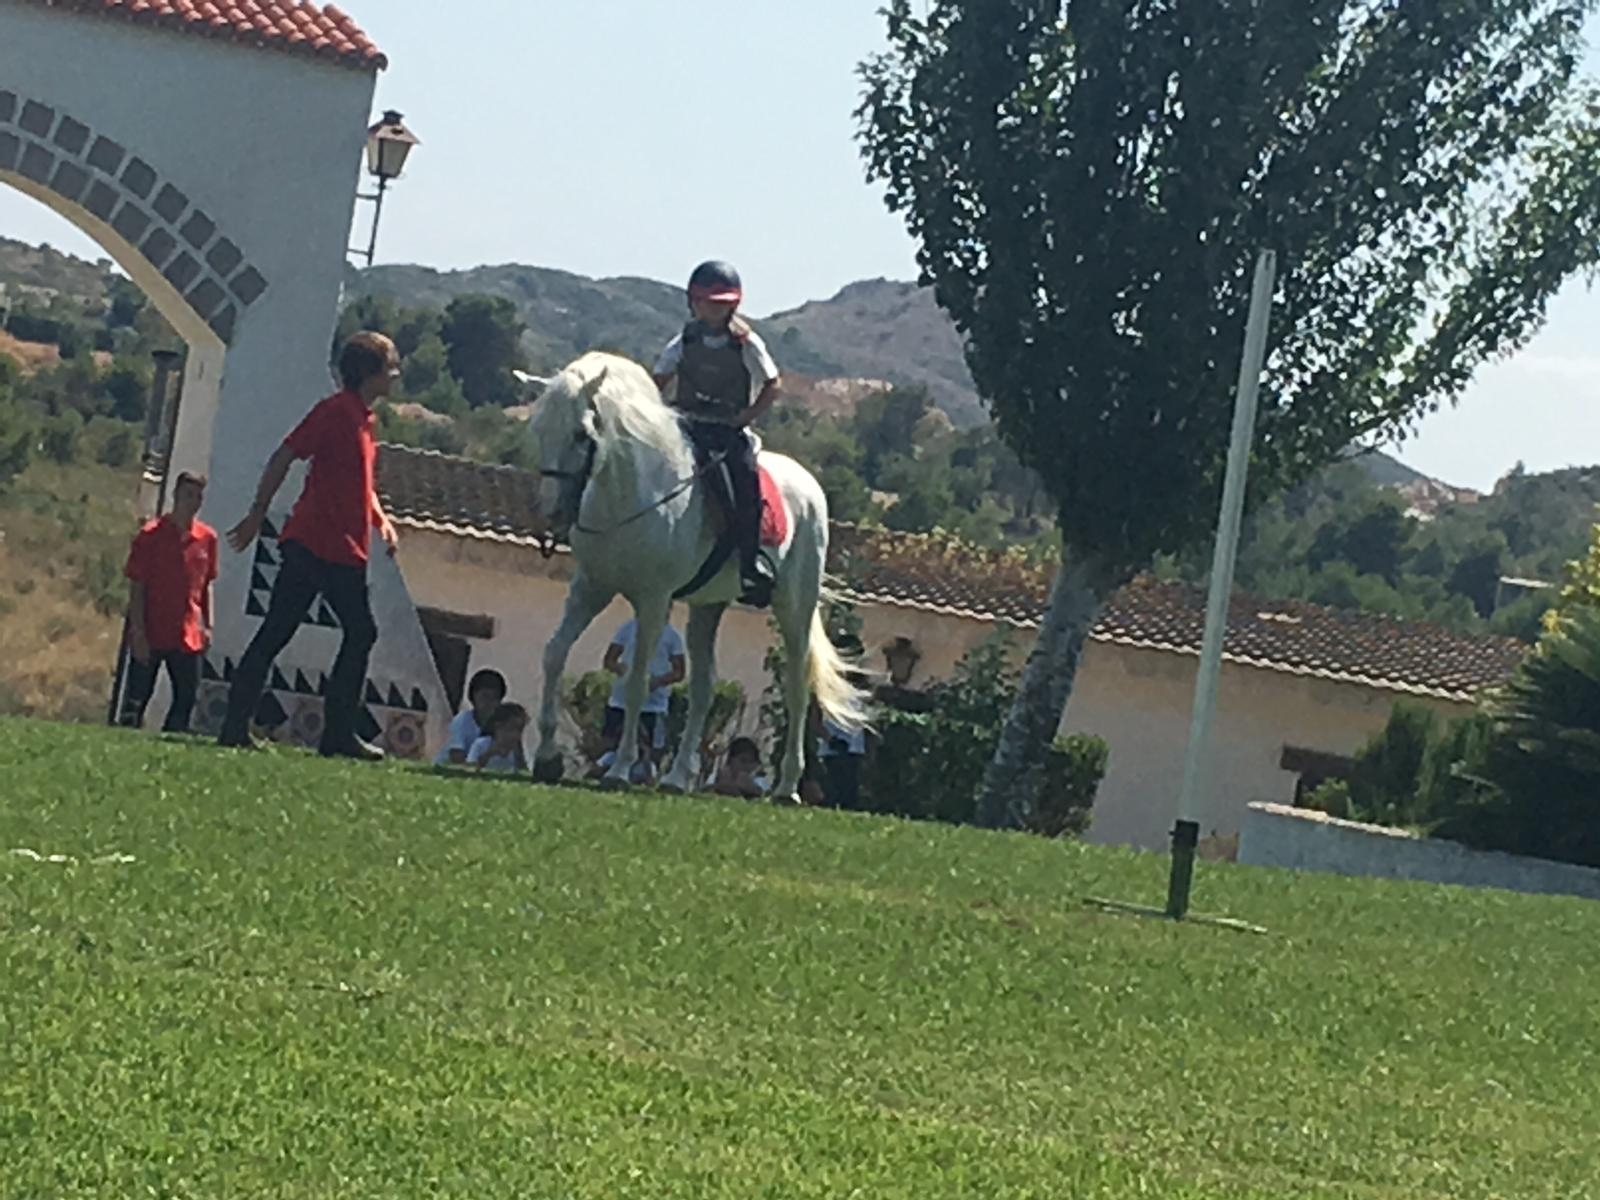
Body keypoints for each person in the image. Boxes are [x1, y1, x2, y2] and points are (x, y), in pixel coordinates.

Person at [217, 331, 402, 759]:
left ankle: (237, 726)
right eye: (391, 364)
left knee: (283, 630)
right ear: (369, 372)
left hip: (341, 548)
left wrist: (381, 520)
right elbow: (284, 455)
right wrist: (258, 512)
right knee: (357, 632)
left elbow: (361, 485)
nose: (397, 373)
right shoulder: (334, 411)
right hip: (318, 544)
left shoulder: (365, 421)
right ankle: (335, 736)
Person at [652, 260, 782, 608]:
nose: (714, 310)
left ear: (734, 304)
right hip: (687, 425)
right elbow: (658, 379)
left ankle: (750, 563)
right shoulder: (684, 340)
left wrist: (747, 416)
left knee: (746, 482)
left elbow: (773, 383)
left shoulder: (746, 342)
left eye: (722, 303)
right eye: (707, 302)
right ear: (693, 303)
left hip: (727, 431)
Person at [121, 471, 218, 733]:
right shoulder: (150, 536)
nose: (193, 502)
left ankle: (171, 739)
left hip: (187, 632)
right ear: (176, 495)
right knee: (137, 697)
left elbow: (206, 584)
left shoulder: (207, 539)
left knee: (186, 696)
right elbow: (137, 586)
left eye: (198, 496)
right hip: (152, 628)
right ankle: (125, 737)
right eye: (188, 495)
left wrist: (208, 625)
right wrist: (138, 630)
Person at [594, 616, 685, 781]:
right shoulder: (628, 628)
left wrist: (658, 681)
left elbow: (679, 672)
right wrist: (624, 672)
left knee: (650, 747)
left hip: (653, 705)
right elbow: (610, 660)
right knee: (610, 743)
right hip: (621, 701)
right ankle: (607, 770)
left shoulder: (672, 635)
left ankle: (645, 776)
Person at [435, 668, 508, 766]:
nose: (489, 703)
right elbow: (456, 758)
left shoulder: (504, 725)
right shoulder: (462, 721)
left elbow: (519, 762)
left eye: (494, 698)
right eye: (484, 697)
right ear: (473, 697)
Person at [467, 702, 530, 773]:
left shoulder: (517, 751)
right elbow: (470, 769)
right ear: (498, 727)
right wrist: (490, 753)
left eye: (520, 730)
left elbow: (525, 772)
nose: (516, 735)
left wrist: (520, 758)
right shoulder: (481, 745)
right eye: (511, 729)